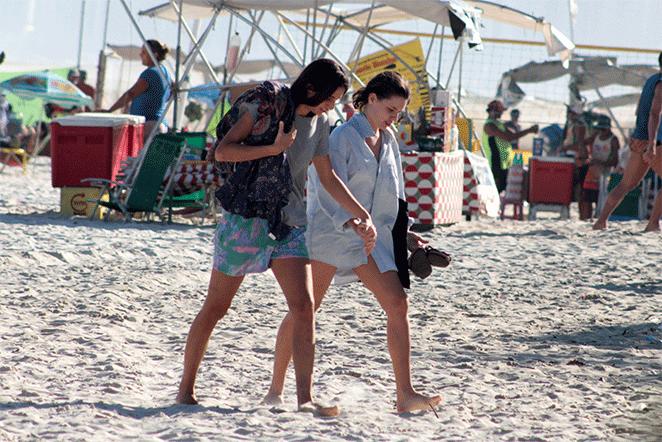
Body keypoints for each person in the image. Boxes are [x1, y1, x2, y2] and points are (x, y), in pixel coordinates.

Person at [176, 59, 377, 415]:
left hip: (289, 224)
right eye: (331, 98)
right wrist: (273, 148)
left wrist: (361, 215)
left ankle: (305, 399)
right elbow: (223, 151)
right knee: (217, 308)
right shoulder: (268, 102)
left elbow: (327, 178)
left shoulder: (322, 123)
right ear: (313, 88)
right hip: (245, 220)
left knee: (303, 308)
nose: (332, 106)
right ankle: (185, 390)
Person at [263, 71, 442, 414]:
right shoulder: (341, 136)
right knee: (305, 310)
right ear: (371, 99)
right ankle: (276, 390)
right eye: (391, 109)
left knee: (397, 304)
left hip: (371, 240)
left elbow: (392, 196)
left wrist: (405, 236)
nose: (395, 117)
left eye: (400, 112)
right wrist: (353, 221)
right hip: (330, 233)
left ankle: (405, 394)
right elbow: (324, 187)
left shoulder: (389, 140)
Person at [593, 51, 662, 231]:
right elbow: (654, 114)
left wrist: (639, 134)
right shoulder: (661, 85)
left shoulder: (651, 80)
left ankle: (601, 221)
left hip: (638, 137)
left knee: (626, 184)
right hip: (652, 142)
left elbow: (639, 109)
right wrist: (652, 144)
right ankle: (653, 224)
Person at [103, 39, 172, 141]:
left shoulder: (151, 73)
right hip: (159, 124)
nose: (140, 55)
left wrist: (110, 110)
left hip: (149, 126)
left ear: (155, 55)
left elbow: (131, 94)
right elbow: (173, 88)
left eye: (144, 52)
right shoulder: (165, 72)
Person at [482, 99, 538, 193]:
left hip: (504, 163)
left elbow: (513, 135)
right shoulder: (489, 126)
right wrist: (529, 131)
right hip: (495, 163)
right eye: (499, 112)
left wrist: (529, 130)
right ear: (492, 112)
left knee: (503, 190)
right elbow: (509, 137)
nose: (501, 114)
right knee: (496, 191)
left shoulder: (499, 124)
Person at [578, 115, 620, 220]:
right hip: (592, 173)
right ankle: (586, 220)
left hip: (605, 175)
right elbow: (582, 143)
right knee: (586, 198)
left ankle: (599, 219)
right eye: (599, 129)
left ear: (608, 128)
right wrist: (586, 154)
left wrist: (600, 162)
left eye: (603, 129)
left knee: (600, 199)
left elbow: (615, 161)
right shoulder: (595, 136)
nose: (601, 131)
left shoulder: (613, 140)